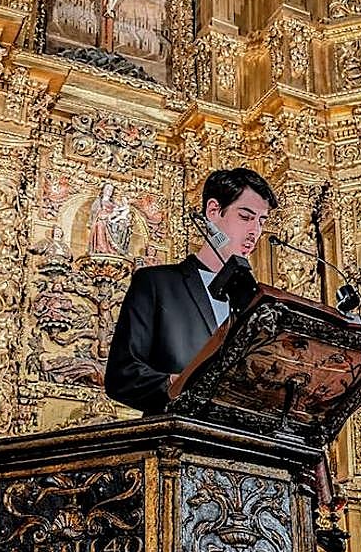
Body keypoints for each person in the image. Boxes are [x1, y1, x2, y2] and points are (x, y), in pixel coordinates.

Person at [104, 167, 275, 414]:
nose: (255, 232)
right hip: (173, 441)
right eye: (246, 217)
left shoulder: (256, 303)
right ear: (213, 211)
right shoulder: (155, 283)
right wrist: (179, 384)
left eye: (261, 221)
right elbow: (122, 377)